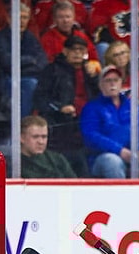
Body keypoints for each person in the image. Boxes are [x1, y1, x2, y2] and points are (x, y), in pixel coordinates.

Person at [80, 65, 139, 179]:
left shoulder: (132, 106)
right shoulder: (92, 108)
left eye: (116, 80)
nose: (112, 84)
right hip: (104, 157)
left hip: (135, 156)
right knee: (112, 161)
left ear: (121, 84)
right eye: (108, 81)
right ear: (100, 85)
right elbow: (91, 136)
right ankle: (121, 197)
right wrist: (119, 150)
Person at [34, 35, 102, 178]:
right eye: (73, 50)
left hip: (87, 121)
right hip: (61, 122)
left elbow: (99, 97)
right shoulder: (52, 70)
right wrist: (60, 108)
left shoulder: (89, 72)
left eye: (81, 50)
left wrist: (95, 77)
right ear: (65, 51)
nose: (77, 53)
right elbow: (41, 98)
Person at [0, 3, 48, 118]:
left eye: (25, 18)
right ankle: (21, 123)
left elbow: (42, 61)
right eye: (19, 17)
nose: (22, 21)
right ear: (9, 19)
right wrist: (30, 61)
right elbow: (8, 63)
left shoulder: (30, 37)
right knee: (30, 84)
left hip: (27, 76)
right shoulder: (0, 37)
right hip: (3, 79)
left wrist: (26, 63)